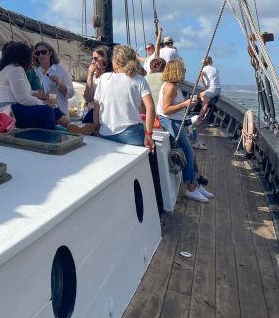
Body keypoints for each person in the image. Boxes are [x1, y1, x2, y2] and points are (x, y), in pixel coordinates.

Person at [156, 59, 214, 202]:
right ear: (177, 70)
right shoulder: (170, 87)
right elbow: (165, 109)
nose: (185, 72)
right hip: (170, 122)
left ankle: (196, 183)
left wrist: (186, 104)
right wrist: (185, 103)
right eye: (183, 69)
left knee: (191, 153)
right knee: (188, 152)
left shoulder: (175, 86)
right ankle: (191, 188)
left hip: (175, 121)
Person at [93, 44, 155, 150]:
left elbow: (96, 105)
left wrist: (95, 127)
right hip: (132, 134)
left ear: (116, 61)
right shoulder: (139, 79)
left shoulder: (104, 78)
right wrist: (149, 134)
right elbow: (150, 107)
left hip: (106, 133)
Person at [0, 43, 44, 109]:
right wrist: (43, 103)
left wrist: (39, 97)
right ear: (23, 58)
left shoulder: (5, 69)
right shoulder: (16, 70)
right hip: (7, 108)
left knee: (48, 110)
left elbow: (27, 92)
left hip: (4, 107)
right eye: (31, 57)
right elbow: (23, 99)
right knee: (48, 111)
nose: (33, 61)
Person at [34, 41, 75, 118]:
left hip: (59, 114)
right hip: (41, 114)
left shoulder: (60, 70)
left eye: (43, 52)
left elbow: (71, 93)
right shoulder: (35, 72)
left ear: (50, 53)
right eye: (37, 53)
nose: (41, 55)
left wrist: (59, 83)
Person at [82, 46, 112, 123]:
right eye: (92, 59)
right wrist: (90, 76)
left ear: (106, 60)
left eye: (96, 59)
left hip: (107, 113)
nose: (92, 62)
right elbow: (88, 98)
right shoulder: (95, 77)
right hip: (93, 112)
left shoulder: (112, 76)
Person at [194, 56, 221, 124]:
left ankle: (200, 118)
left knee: (204, 104)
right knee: (201, 94)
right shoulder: (215, 68)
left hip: (212, 89)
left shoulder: (205, 68)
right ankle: (206, 110)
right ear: (211, 61)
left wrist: (204, 86)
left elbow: (200, 77)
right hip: (218, 89)